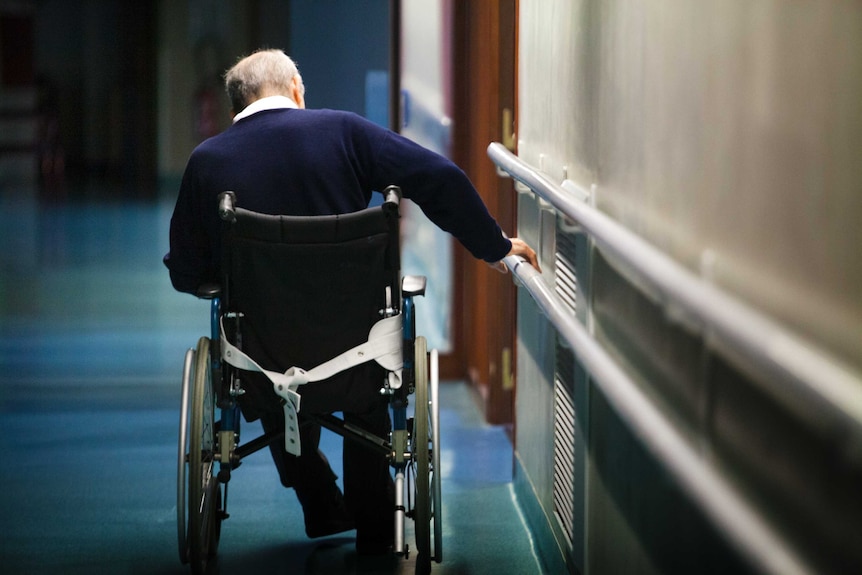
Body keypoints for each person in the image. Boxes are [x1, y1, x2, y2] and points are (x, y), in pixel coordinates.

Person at [164, 48, 540, 555]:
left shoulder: (207, 161)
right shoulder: (344, 132)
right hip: (357, 356)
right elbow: (440, 179)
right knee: (371, 371)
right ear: (296, 88)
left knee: (268, 360)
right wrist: (493, 248)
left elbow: (186, 273)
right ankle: (375, 527)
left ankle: (317, 498)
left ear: (237, 107)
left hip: (260, 363)